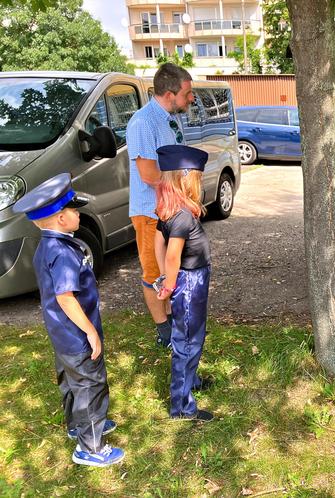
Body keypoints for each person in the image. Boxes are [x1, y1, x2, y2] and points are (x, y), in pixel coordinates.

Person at [12, 174, 125, 467]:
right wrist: (90, 332)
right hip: (76, 333)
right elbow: (65, 297)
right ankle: (90, 447)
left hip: (61, 332)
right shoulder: (62, 252)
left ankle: (78, 425)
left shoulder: (47, 246)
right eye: (75, 211)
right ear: (61, 218)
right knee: (90, 383)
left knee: (72, 380)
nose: (79, 213)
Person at [126, 62, 195, 348]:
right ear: (169, 93)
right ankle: (163, 331)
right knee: (154, 273)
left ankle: (171, 321)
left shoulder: (169, 118)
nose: (191, 99)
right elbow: (149, 174)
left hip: (170, 209)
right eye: (187, 93)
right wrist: (182, 191)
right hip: (149, 212)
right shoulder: (143, 122)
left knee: (171, 268)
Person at [154, 145, 214, 422]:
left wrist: (167, 278)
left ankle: (192, 381)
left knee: (191, 337)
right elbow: (172, 253)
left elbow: (158, 244)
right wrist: (170, 284)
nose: (198, 186)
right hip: (189, 284)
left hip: (190, 281)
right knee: (188, 341)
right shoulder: (181, 217)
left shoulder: (169, 212)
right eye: (197, 180)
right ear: (185, 180)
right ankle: (182, 406)